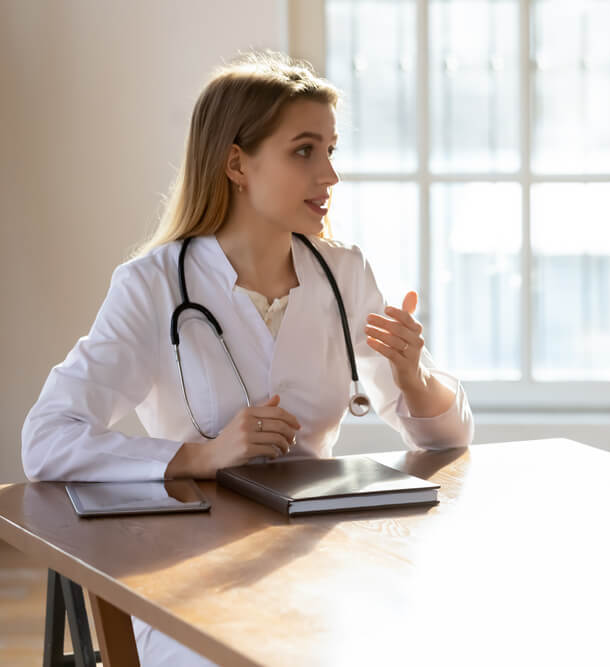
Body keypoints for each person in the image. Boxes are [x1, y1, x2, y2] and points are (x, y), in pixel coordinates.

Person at [22, 51, 473, 666]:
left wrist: (413, 379)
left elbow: (449, 440)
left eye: (332, 151)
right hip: (189, 571)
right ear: (237, 162)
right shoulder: (153, 286)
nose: (331, 176)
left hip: (324, 559)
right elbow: (47, 440)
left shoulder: (344, 272)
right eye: (304, 151)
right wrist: (202, 456)